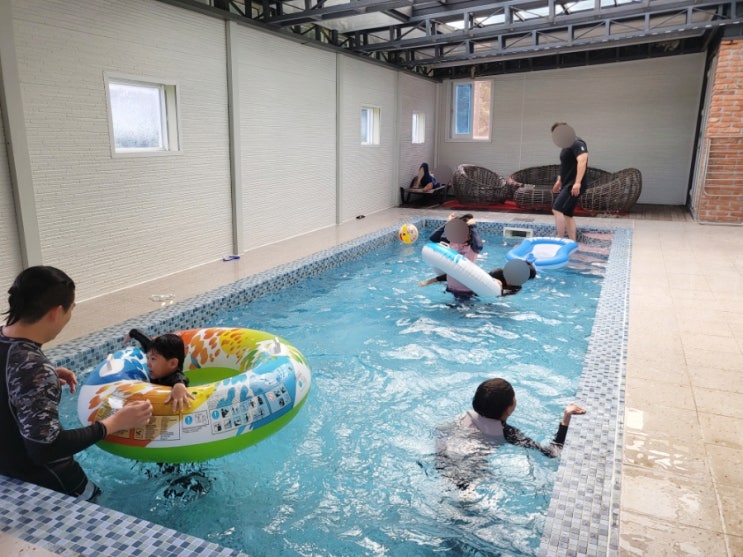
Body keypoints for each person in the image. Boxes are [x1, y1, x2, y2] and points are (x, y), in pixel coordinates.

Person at [0, 266, 152, 500]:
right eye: (71, 309)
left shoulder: (14, 350)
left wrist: (43, 377)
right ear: (55, 312)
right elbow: (44, 448)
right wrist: (113, 424)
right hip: (50, 482)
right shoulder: (34, 369)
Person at [436, 377, 586, 489]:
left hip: (443, 464)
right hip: (468, 476)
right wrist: (565, 419)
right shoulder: (508, 433)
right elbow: (553, 452)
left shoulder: (463, 417)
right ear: (509, 409)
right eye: (514, 397)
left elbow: (440, 431)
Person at [125, 328, 194, 412]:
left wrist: (179, 388)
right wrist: (134, 333)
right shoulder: (160, 368)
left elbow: (179, 380)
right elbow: (147, 344)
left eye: (153, 359)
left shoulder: (173, 376)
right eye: (148, 358)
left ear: (172, 363)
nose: (148, 364)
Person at [428, 213, 483, 299]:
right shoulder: (453, 242)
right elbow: (433, 238)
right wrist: (448, 224)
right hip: (450, 288)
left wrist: (473, 227)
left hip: (466, 292)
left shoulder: (472, 247)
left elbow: (479, 246)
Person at [551, 122, 589, 241]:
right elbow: (565, 165)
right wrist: (559, 180)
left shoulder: (577, 143)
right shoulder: (566, 145)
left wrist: (577, 183)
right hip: (567, 183)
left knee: (557, 209)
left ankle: (560, 238)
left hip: (573, 184)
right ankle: (572, 241)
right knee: (567, 214)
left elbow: (582, 161)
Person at [419, 261, 537, 296]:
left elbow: (499, 297)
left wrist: (499, 288)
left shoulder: (517, 288)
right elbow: (474, 277)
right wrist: (430, 281)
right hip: (472, 289)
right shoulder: (499, 272)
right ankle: (434, 281)